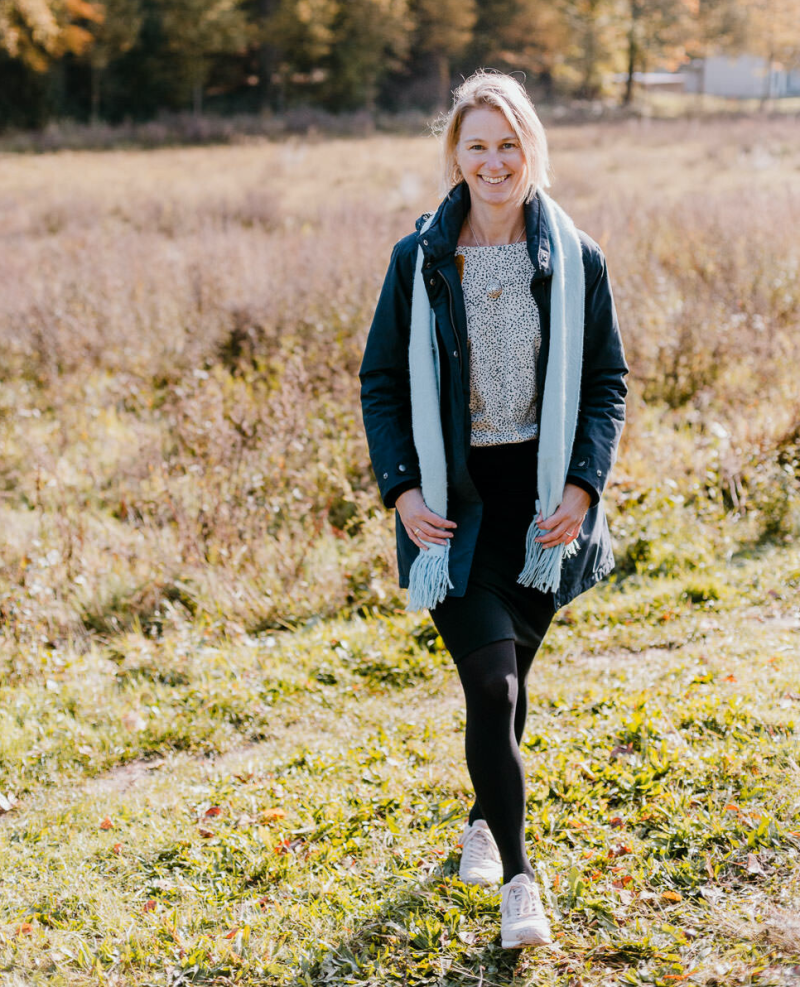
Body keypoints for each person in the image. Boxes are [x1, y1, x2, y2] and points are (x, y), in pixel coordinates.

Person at [359, 69, 628, 949]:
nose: (494, 161)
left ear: (531, 149)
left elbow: (606, 382)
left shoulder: (576, 257)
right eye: (477, 145)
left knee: (511, 688)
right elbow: (382, 382)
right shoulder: (420, 260)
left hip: (542, 508)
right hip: (453, 506)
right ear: (456, 155)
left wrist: (582, 486)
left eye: (509, 144)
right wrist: (403, 488)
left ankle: (482, 819)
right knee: (493, 684)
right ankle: (519, 879)